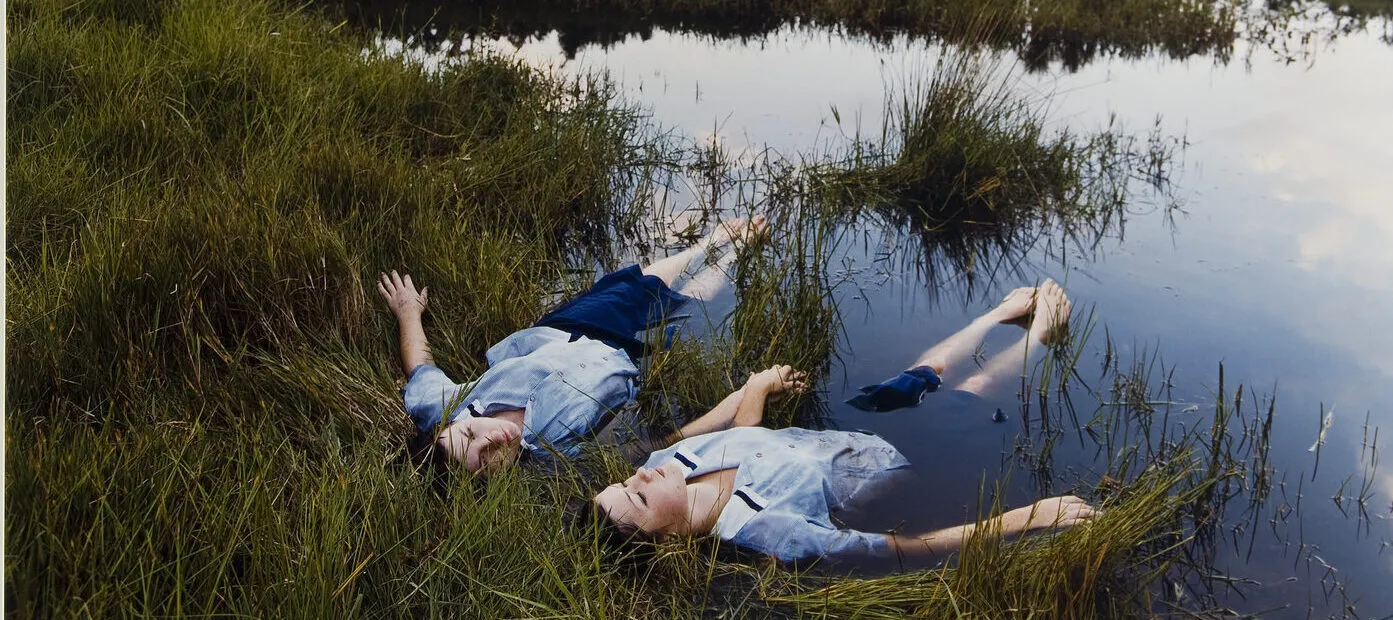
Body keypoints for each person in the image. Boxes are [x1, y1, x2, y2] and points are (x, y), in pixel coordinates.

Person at [588, 279, 1098, 565]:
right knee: (972, 390)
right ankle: (1040, 338)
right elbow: (904, 546)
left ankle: (992, 316)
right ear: (671, 541)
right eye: (637, 498)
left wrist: (758, 387)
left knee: (924, 371)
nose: (639, 477)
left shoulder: (667, 463)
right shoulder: (768, 534)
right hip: (900, 461)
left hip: (852, 427)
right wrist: (1026, 519)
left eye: (624, 481)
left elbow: (742, 439)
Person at [379, 216, 769, 474]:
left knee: (634, 283)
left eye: (469, 434)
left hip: (567, 330)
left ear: (455, 424)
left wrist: (408, 312)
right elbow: (652, 445)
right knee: (694, 305)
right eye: (484, 459)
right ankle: (730, 258)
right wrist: (734, 406)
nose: (489, 438)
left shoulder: (447, 408)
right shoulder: (552, 457)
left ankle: (711, 242)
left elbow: (420, 369)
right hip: (628, 361)